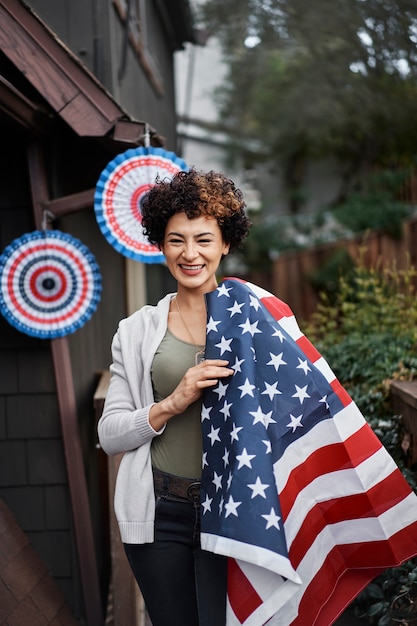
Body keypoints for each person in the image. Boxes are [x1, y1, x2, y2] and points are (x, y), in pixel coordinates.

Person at [98, 168, 252, 626]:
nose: (190, 254)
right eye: (175, 240)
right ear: (160, 245)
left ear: (225, 243)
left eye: (204, 240)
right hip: (160, 509)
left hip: (238, 507)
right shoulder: (136, 330)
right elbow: (109, 435)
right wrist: (172, 401)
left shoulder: (257, 319)